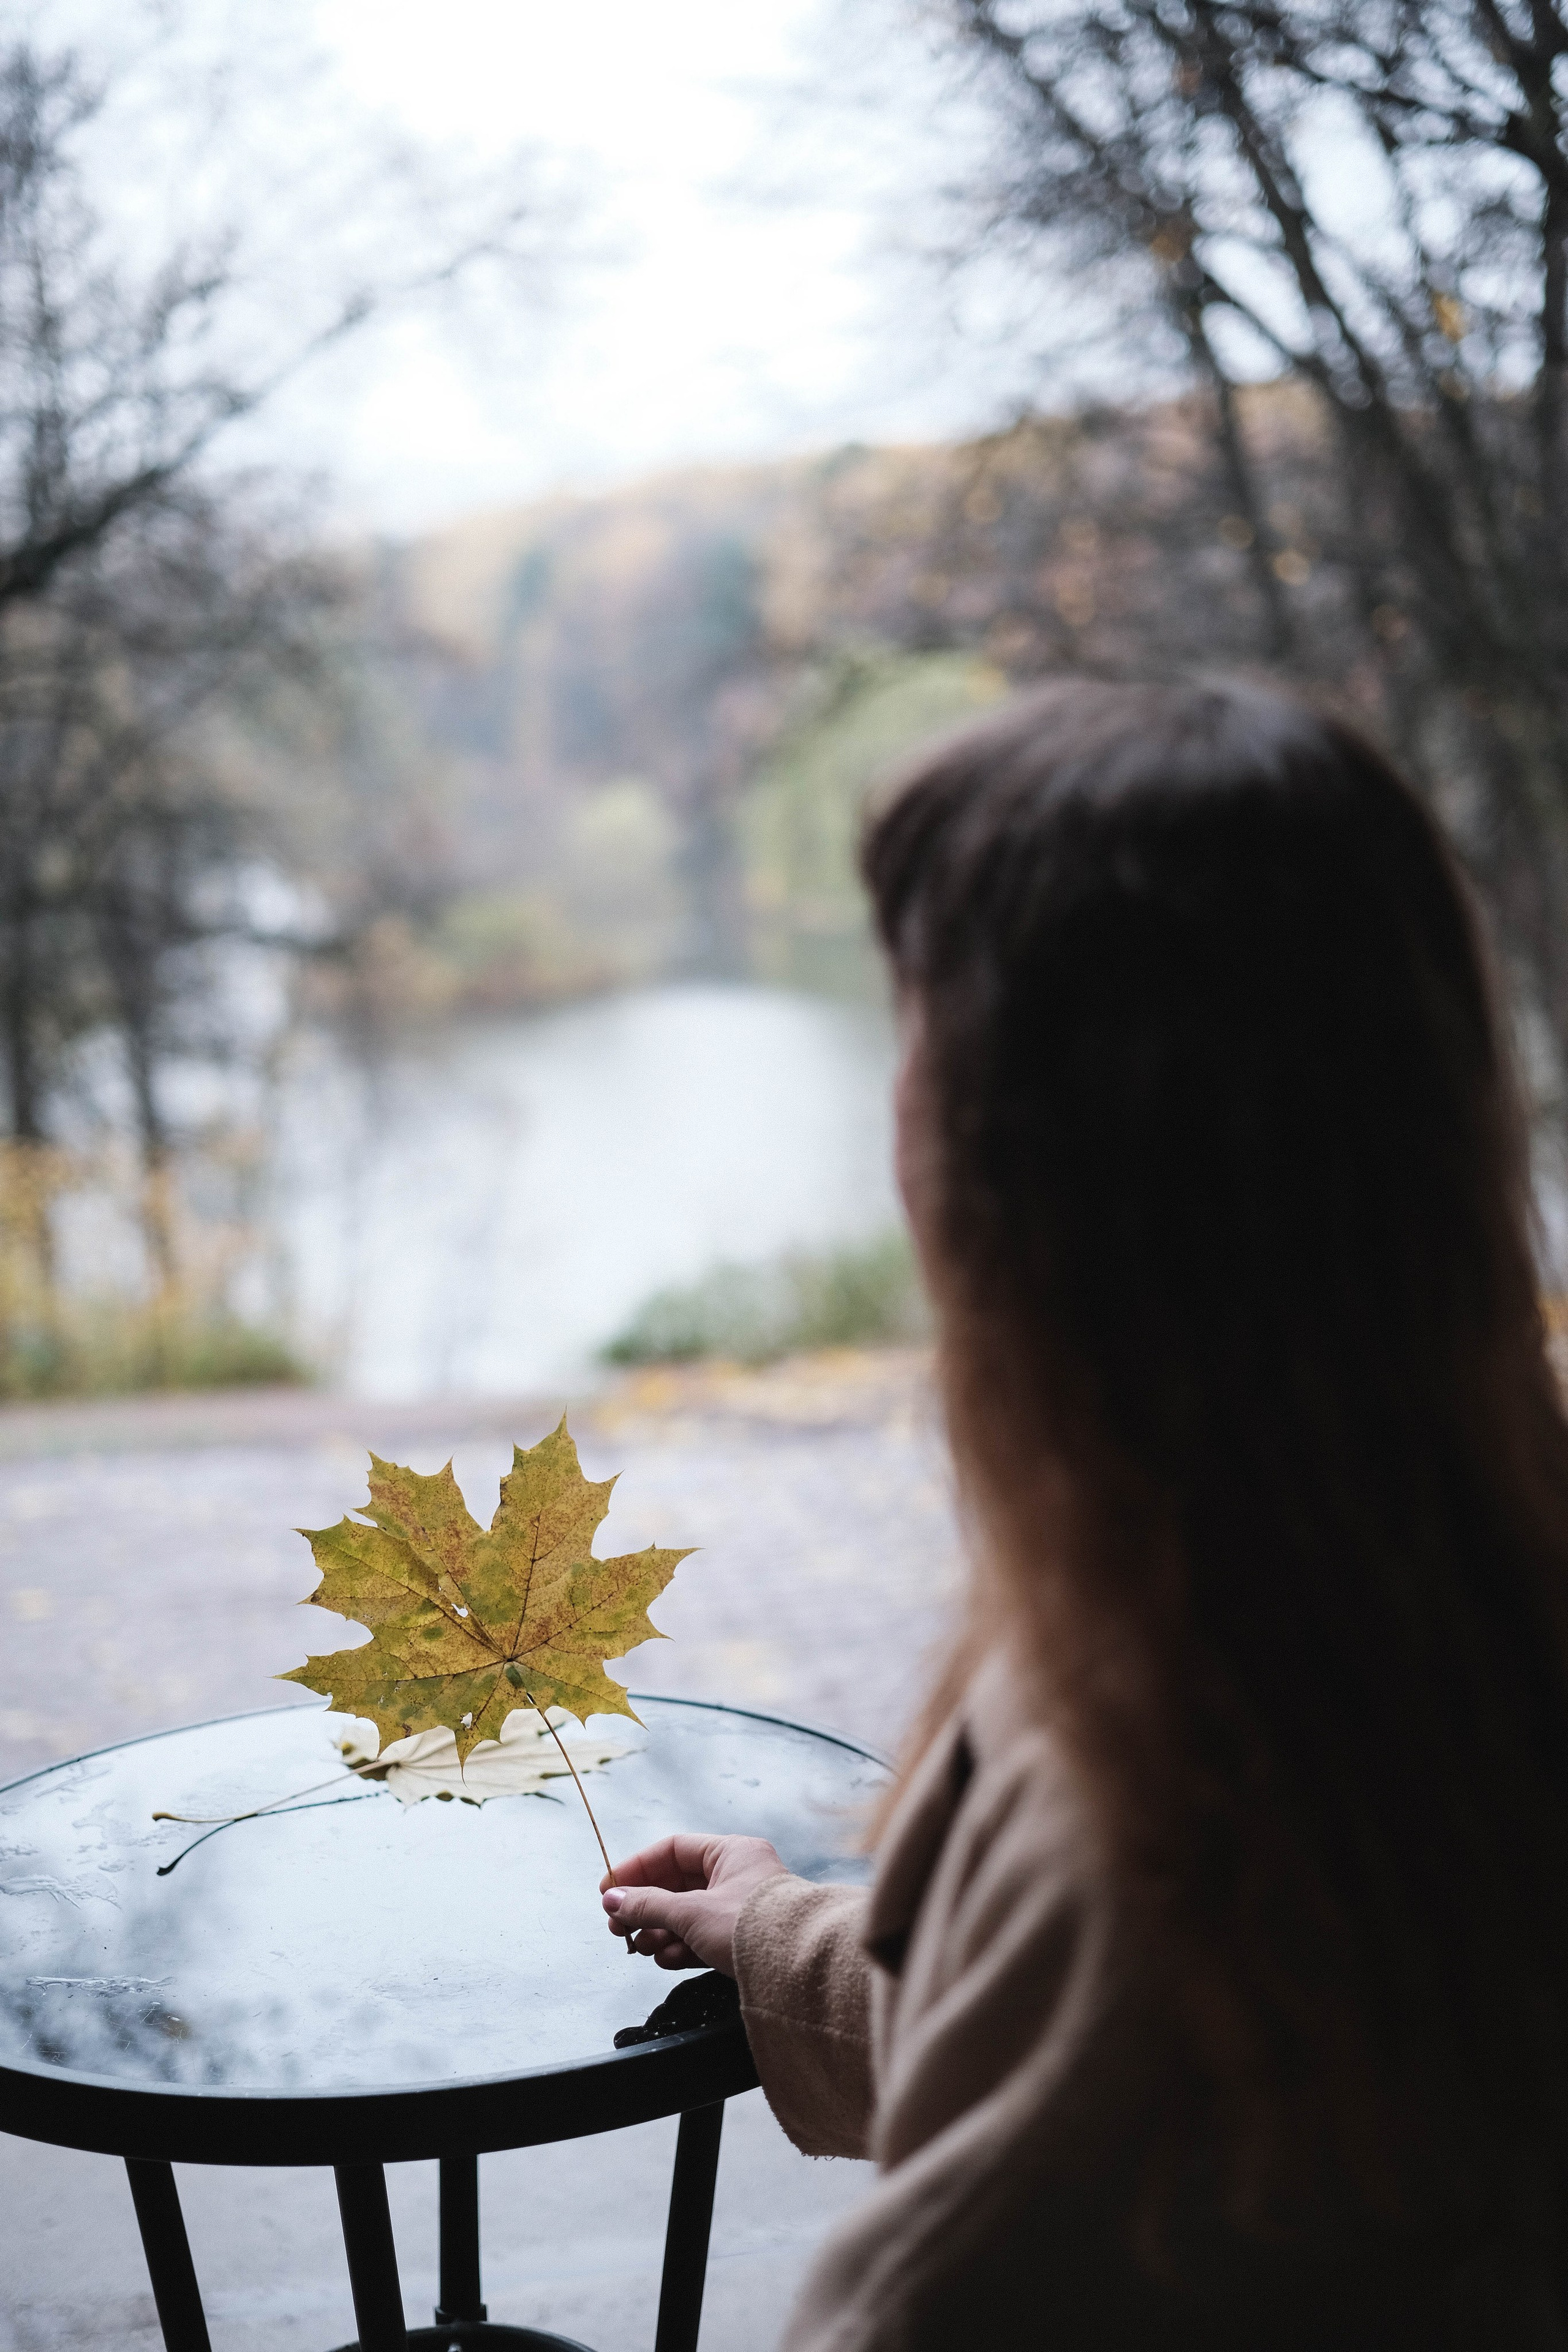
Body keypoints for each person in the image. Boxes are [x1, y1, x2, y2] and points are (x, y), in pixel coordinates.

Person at [600, 680, 1568, 2348]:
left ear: (1016, 1165)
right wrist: (778, 1941)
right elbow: (1053, 2052)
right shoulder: (1434, 1589)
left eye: (919, 1042)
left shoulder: (1185, 1785)